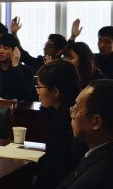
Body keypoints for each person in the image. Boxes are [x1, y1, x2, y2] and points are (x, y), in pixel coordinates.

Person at [33, 60, 85, 189]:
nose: (37, 91)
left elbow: (56, 164)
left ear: (55, 92)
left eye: (39, 87)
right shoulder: (59, 111)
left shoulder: (66, 119)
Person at [57, 80, 113, 189]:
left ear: (96, 122)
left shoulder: (97, 178)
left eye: (75, 109)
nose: (71, 115)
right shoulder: (98, 155)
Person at [0, 34, 37, 102]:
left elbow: (26, 96)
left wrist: (15, 66)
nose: (0, 51)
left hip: (17, 108)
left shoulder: (26, 71)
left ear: (15, 51)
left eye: (5, 48)